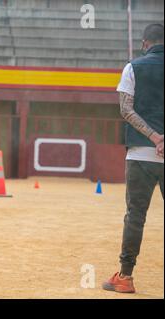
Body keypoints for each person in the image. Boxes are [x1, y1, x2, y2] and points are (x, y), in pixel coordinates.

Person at [103, 24, 164, 293]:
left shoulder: (133, 67)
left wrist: (154, 137)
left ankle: (125, 277)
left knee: (136, 216)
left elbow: (126, 109)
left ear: (144, 43)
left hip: (141, 153)